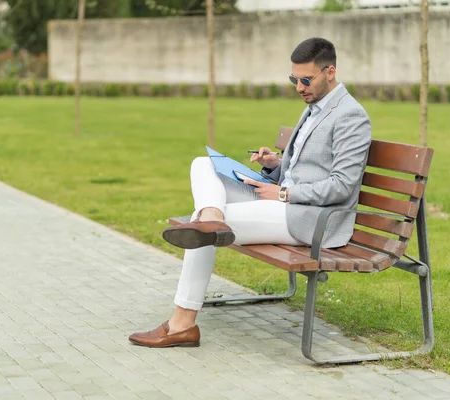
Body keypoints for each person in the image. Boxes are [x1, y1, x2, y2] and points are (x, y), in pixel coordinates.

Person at [129, 37, 372, 348]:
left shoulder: (351, 115)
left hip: (311, 218)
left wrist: (284, 193)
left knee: (199, 223)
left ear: (330, 71)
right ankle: (213, 216)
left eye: (305, 79)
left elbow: (342, 184)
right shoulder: (314, 106)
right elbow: (307, 167)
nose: (299, 87)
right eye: (293, 79)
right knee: (203, 163)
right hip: (283, 201)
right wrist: (274, 164)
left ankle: (182, 324)